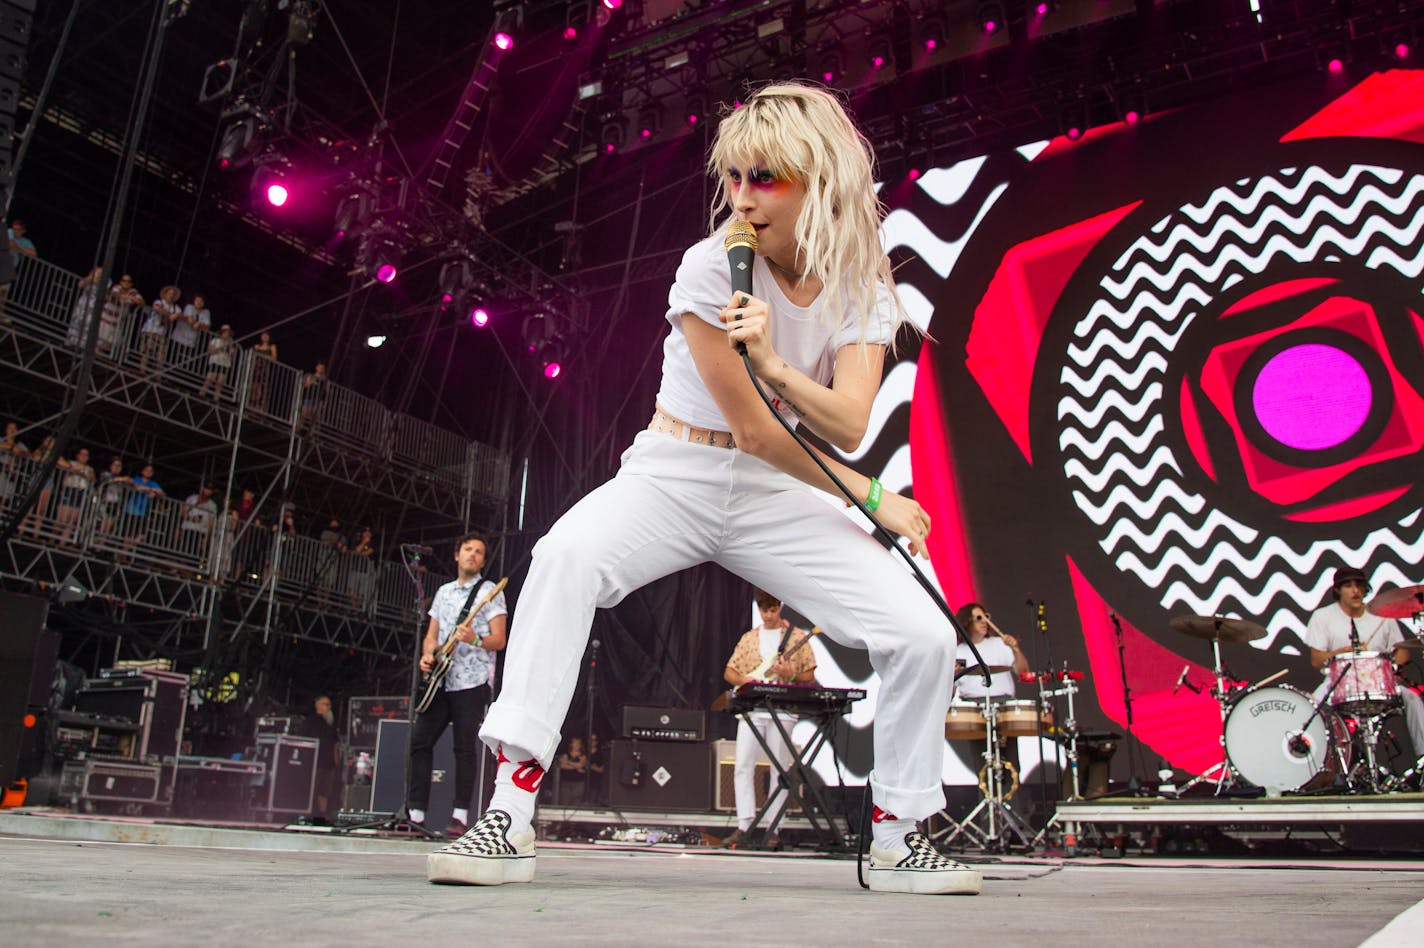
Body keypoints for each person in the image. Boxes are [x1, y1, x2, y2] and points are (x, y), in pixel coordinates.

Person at [429, 83, 978, 895]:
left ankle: (899, 836)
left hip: (776, 491)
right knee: (563, 557)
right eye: (736, 177)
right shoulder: (709, 264)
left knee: (922, 637)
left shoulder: (860, 281)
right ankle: (509, 815)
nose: (745, 196)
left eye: (768, 178)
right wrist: (871, 497)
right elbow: (754, 427)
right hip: (674, 472)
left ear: (817, 181)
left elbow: (852, 422)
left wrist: (776, 363)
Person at [411, 533, 507, 837]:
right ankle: (414, 813)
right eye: (468, 550)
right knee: (419, 741)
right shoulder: (443, 592)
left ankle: (460, 815)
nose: (473, 555)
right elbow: (432, 634)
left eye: (479, 552)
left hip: (472, 681)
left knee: (464, 748)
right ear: (456, 554)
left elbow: (500, 639)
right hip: (441, 679)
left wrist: (475, 638)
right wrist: (428, 655)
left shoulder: (490, 592)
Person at [719, 590, 817, 850]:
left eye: (772, 609)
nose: (769, 614)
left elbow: (809, 676)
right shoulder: (749, 638)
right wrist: (746, 681)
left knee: (780, 769)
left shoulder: (796, 637)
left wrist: (791, 672)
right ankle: (744, 824)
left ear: (780, 607)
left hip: (783, 707)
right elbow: (730, 671)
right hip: (753, 708)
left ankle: (775, 826)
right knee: (742, 765)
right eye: (764, 610)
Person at [1304, 566, 1424, 761]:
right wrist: (1341, 653)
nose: (1355, 591)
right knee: (1313, 707)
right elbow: (1316, 660)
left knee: (1412, 699)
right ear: (1337, 590)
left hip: (1379, 681)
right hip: (1339, 682)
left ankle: (1423, 758)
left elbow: (1402, 652)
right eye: (1349, 586)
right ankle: (1318, 766)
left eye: (1359, 586)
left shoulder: (1382, 615)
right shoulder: (1322, 616)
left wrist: (1390, 666)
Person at [952, 603, 1029, 701]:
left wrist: (1016, 650)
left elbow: (1023, 672)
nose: (984, 621)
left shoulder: (1001, 643)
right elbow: (950, 694)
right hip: (971, 706)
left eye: (986, 617)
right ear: (966, 621)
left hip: (1003, 703)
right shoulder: (958, 652)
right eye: (979, 618)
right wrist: (952, 675)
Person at [299, 694, 341, 823]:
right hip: (314, 762)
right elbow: (303, 740)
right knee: (313, 789)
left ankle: (323, 815)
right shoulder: (310, 721)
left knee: (325, 791)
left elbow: (335, 743)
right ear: (318, 705)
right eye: (325, 704)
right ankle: (309, 814)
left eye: (329, 704)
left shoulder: (330, 723)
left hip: (328, 763)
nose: (328, 707)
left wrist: (336, 760)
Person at [249, 331, 278, 412]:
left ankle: (260, 409)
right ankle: (251, 407)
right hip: (256, 369)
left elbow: (274, 358)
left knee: (262, 389)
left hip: (265, 370)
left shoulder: (272, 346)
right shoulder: (257, 346)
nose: (264, 336)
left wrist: (263, 355)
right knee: (253, 387)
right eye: (263, 335)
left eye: (266, 335)